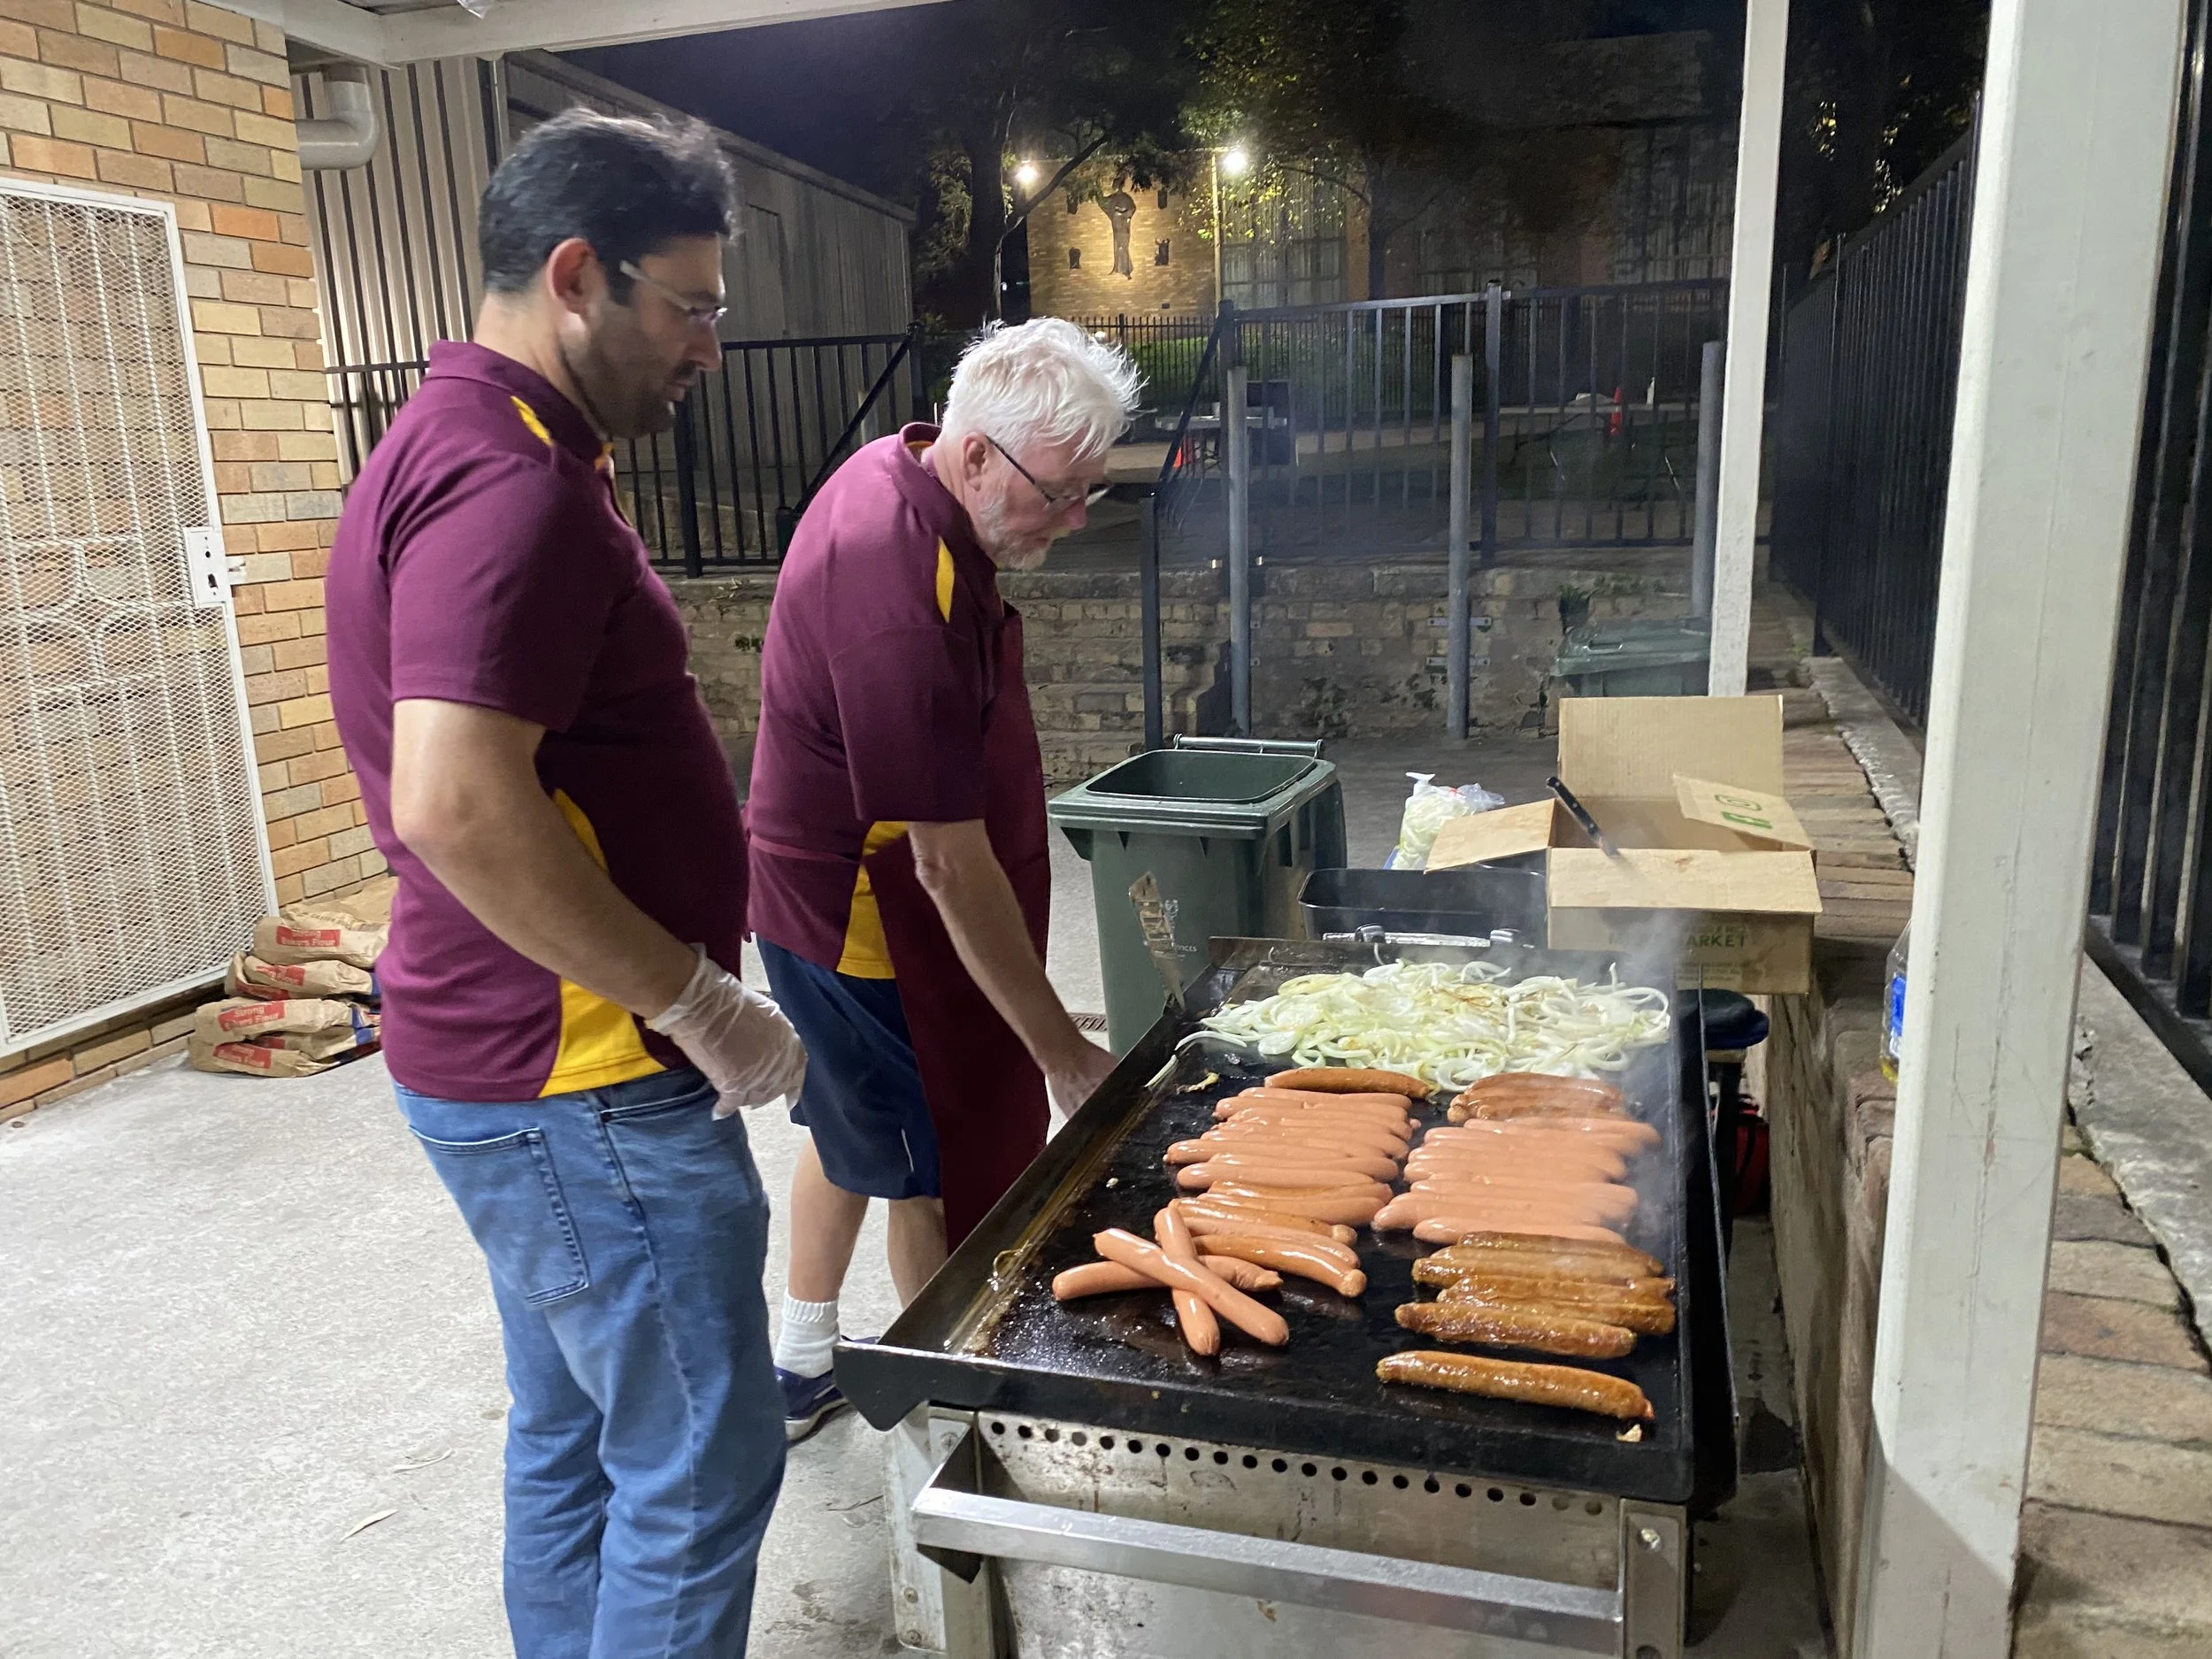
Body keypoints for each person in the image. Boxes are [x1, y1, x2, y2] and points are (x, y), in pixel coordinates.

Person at [326, 110, 806, 1658]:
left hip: (518, 1075)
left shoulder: (464, 440)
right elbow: (458, 800)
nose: (710, 346)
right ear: (578, 275)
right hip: (580, 1084)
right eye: (692, 306)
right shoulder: (506, 484)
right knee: (698, 1462)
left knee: (580, 1436)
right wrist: (700, 1001)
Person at [744, 319, 1141, 1439]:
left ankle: (802, 1361)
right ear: (974, 454)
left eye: (1090, 493)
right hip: (865, 914)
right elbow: (945, 861)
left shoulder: (903, 463)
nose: (1073, 521)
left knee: (848, 1124)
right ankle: (948, 1418)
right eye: (1058, 494)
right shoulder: (895, 596)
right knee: (930, 1168)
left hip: (818, 884)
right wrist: (1061, 1052)